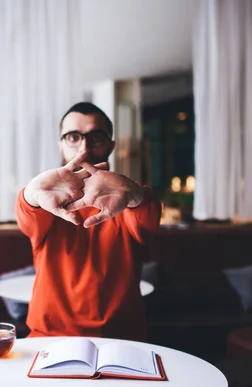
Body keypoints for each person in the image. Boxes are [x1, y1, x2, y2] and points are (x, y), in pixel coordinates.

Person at [15, 102, 161, 341]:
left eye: (96, 137)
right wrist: (31, 194)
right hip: (48, 336)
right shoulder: (45, 201)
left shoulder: (129, 198)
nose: (84, 148)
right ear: (61, 145)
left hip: (122, 338)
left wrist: (134, 194)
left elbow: (150, 218)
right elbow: (26, 217)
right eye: (73, 137)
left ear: (110, 145)